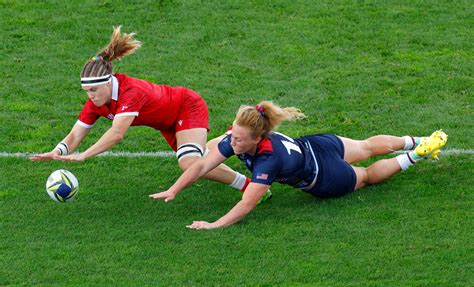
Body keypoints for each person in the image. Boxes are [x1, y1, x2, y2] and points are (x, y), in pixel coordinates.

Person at [30, 26, 265, 197]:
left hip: (186, 107)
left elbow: (117, 133)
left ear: (108, 82)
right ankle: (237, 163)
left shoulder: (130, 92)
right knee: (198, 160)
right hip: (166, 122)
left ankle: (249, 186)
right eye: (85, 90)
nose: (89, 95)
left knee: (189, 164)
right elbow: (74, 136)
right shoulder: (95, 102)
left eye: (93, 89)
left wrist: (84, 155)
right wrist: (57, 151)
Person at [150, 101, 448, 230]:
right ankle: (419, 139)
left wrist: (213, 224)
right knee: (367, 145)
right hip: (317, 145)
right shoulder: (240, 137)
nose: (232, 143)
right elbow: (202, 166)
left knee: (367, 176)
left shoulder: (268, 159)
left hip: (325, 176)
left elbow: (247, 203)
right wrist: (174, 189)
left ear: (258, 138)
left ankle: (418, 153)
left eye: (240, 140)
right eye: (233, 135)